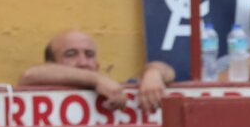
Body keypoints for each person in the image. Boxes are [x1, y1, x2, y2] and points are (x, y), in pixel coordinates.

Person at [19, 30, 175, 112]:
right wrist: (96, 79)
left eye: (89, 54)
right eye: (71, 54)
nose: (83, 62)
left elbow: (168, 71)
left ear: (98, 64)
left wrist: (153, 73)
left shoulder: (115, 90)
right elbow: (29, 76)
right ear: (50, 64)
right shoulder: (102, 82)